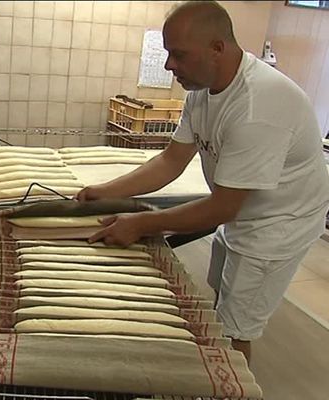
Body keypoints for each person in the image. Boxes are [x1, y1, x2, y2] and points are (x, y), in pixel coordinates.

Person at [76, 0, 329, 363]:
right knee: (222, 293)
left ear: (217, 49)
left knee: (237, 325)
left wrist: (145, 223)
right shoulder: (201, 90)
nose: (168, 65)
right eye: (167, 53)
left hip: (278, 224)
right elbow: (171, 161)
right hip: (242, 211)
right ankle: (217, 353)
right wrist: (105, 192)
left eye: (178, 54)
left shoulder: (258, 107)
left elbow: (223, 207)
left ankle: (230, 376)